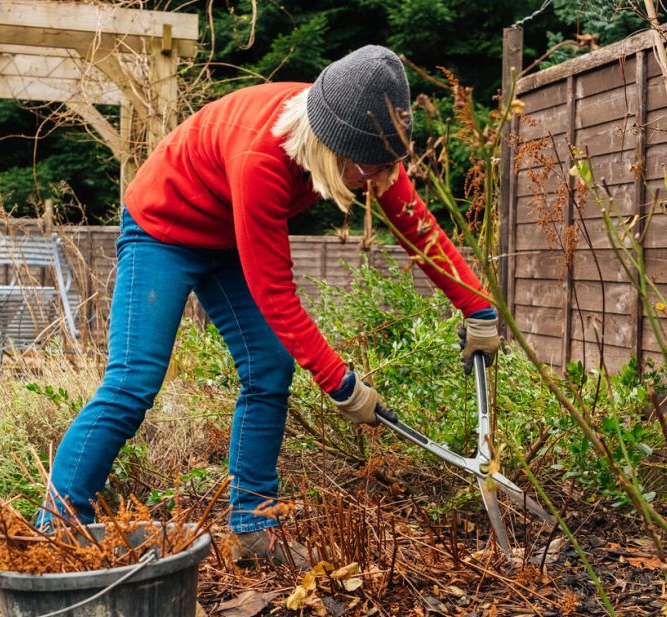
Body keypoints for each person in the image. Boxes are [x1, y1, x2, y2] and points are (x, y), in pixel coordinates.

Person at [38, 45, 502, 566]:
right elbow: (276, 295)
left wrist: (477, 307)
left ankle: (254, 529)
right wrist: (340, 384)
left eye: (388, 165)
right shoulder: (261, 157)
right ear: (334, 149)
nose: (379, 180)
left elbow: (417, 223)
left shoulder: (365, 139)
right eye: (370, 169)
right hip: (163, 229)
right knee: (133, 380)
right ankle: (55, 533)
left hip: (227, 236)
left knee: (269, 367)